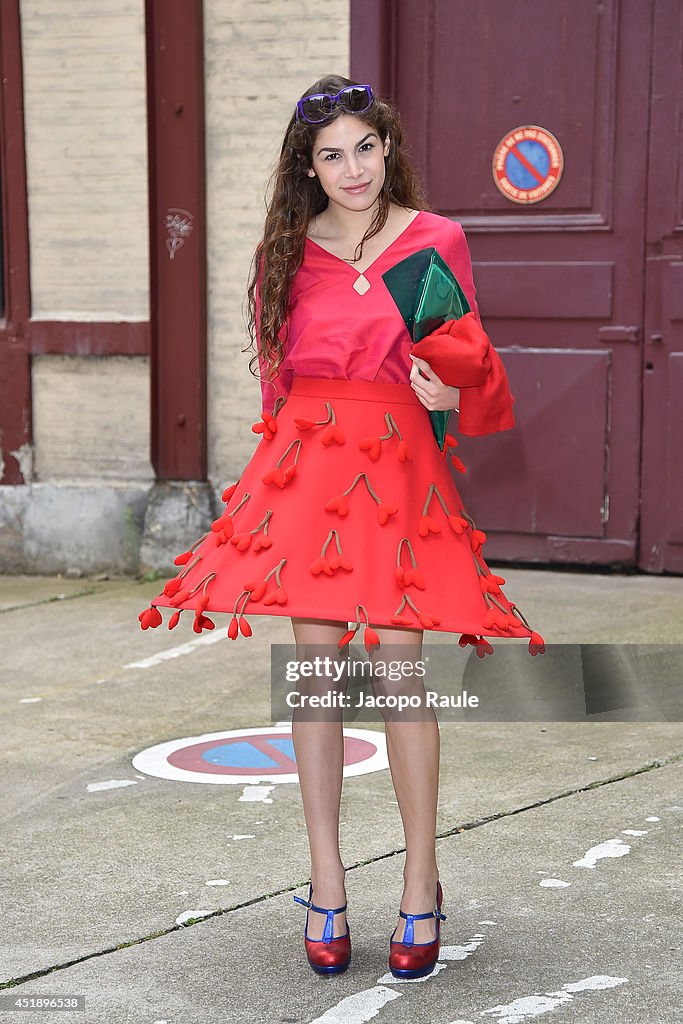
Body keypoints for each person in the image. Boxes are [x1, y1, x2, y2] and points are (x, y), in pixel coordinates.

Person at [138, 74, 545, 979]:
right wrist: (266, 496)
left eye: (365, 147)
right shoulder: (284, 250)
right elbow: (276, 385)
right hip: (309, 474)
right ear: (308, 167)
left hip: (399, 468)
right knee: (317, 682)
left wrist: (451, 393)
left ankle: (419, 884)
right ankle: (326, 882)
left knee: (403, 682)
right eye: (331, 155)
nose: (352, 168)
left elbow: (466, 355)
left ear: (388, 147)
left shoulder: (436, 239)